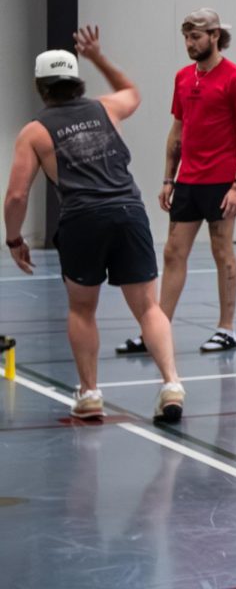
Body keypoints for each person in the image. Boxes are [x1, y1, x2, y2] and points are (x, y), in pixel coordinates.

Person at [4, 28, 185, 420]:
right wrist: (99, 56)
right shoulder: (107, 108)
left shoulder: (34, 132)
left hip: (82, 220)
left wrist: (14, 238)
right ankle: (171, 384)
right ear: (77, 81)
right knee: (148, 308)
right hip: (128, 213)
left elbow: (17, 195)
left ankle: (89, 395)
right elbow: (132, 91)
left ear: (40, 87)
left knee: (82, 309)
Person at [119, 9, 236, 356]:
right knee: (172, 252)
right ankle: (157, 328)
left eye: (196, 37)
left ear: (214, 36)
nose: (189, 43)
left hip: (222, 180)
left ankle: (226, 329)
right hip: (188, 180)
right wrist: (169, 178)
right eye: (186, 37)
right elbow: (178, 131)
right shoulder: (183, 78)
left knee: (221, 251)